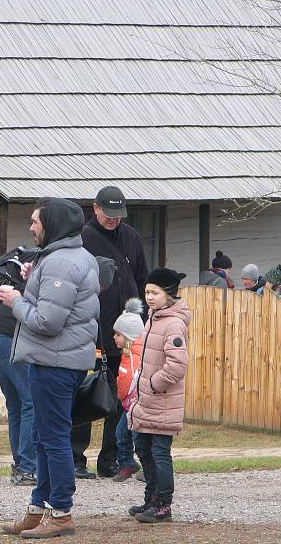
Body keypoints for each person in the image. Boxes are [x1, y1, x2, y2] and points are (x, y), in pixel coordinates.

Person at [0, 198, 100, 539]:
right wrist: (33, 282)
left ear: (52, 225)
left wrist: (16, 301)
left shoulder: (61, 263)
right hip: (55, 360)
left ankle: (61, 513)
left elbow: (47, 321)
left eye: (35, 222)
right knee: (43, 438)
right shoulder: (65, 258)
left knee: (54, 440)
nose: (31, 228)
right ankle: (39, 506)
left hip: (55, 362)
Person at [73, 185, 148, 480]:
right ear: (96, 208)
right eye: (108, 213)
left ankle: (111, 459)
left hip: (124, 334)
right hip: (90, 332)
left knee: (120, 398)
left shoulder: (131, 237)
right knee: (83, 396)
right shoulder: (82, 239)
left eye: (118, 215)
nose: (113, 219)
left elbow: (141, 277)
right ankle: (76, 459)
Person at [128, 268, 190, 524]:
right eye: (146, 293)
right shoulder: (153, 318)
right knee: (142, 447)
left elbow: (177, 365)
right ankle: (151, 497)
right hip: (147, 401)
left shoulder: (173, 323)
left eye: (155, 292)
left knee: (160, 453)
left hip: (162, 401)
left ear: (169, 294)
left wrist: (153, 384)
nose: (149, 297)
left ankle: (164, 505)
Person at [0, 252, 37, 485]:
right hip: (8, 334)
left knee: (15, 403)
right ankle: (27, 466)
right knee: (30, 401)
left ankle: (20, 464)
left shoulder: (22, 260)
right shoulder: (44, 265)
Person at [112, 298, 144, 483]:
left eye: (118, 334)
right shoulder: (127, 354)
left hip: (136, 404)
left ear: (129, 337)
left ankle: (149, 468)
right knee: (121, 434)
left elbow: (129, 381)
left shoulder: (135, 356)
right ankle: (127, 463)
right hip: (128, 405)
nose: (114, 338)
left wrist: (120, 392)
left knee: (138, 439)